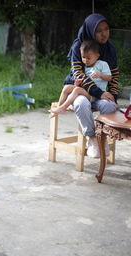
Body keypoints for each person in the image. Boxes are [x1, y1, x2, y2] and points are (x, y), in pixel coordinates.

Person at [63, 13, 119, 158]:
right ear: (90, 31)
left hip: (99, 92)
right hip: (78, 89)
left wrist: (113, 95)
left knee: (109, 106)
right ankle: (93, 138)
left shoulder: (110, 48)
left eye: (106, 29)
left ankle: (103, 136)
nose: (104, 34)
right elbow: (79, 75)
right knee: (82, 104)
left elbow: (114, 76)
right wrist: (100, 93)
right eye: (99, 31)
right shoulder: (79, 46)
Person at [50, 39, 112, 117]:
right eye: (83, 57)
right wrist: (77, 84)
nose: (86, 60)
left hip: (97, 95)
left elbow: (109, 77)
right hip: (86, 93)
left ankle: (63, 107)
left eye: (88, 58)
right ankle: (58, 108)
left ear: (97, 56)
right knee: (67, 87)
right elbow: (83, 85)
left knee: (77, 90)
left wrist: (100, 75)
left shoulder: (102, 64)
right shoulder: (84, 68)